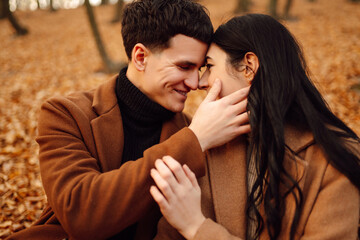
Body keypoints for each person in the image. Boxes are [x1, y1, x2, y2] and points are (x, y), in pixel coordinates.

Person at [6, 1, 251, 239]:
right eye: (184, 66)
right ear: (141, 57)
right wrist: (195, 140)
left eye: (198, 69)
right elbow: (80, 214)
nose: (195, 83)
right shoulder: (65, 114)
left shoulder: (189, 129)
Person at [150, 14, 360, 240]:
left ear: (249, 67)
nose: (200, 82)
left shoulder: (334, 160)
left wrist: (197, 227)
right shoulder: (211, 148)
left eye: (209, 66)